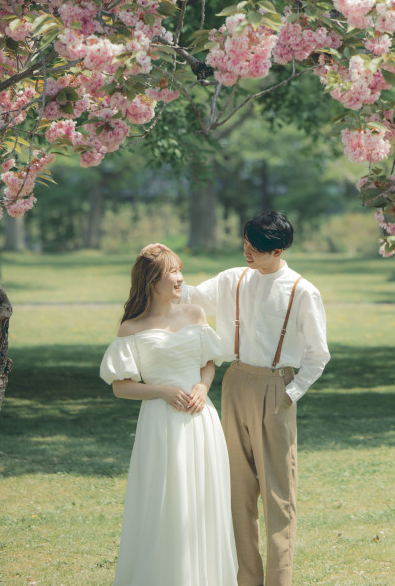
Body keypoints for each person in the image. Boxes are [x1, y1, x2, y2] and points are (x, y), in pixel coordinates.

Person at [183, 211, 330, 586]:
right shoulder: (234, 278)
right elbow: (191, 298)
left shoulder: (301, 291)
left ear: (277, 250)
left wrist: (290, 393)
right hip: (234, 381)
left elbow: (318, 354)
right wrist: (162, 270)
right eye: (245, 242)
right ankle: (246, 579)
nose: (247, 250)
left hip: (275, 387)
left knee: (278, 496)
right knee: (236, 491)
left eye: (256, 247)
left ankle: (278, 581)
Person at [100, 243, 238, 586]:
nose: (180, 278)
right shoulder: (132, 328)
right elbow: (121, 386)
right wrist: (161, 390)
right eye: (172, 272)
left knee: (204, 502)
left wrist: (203, 388)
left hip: (200, 421)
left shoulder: (194, 315)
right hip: (160, 425)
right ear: (151, 281)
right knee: (165, 503)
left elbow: (208, 363)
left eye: (180, 270)